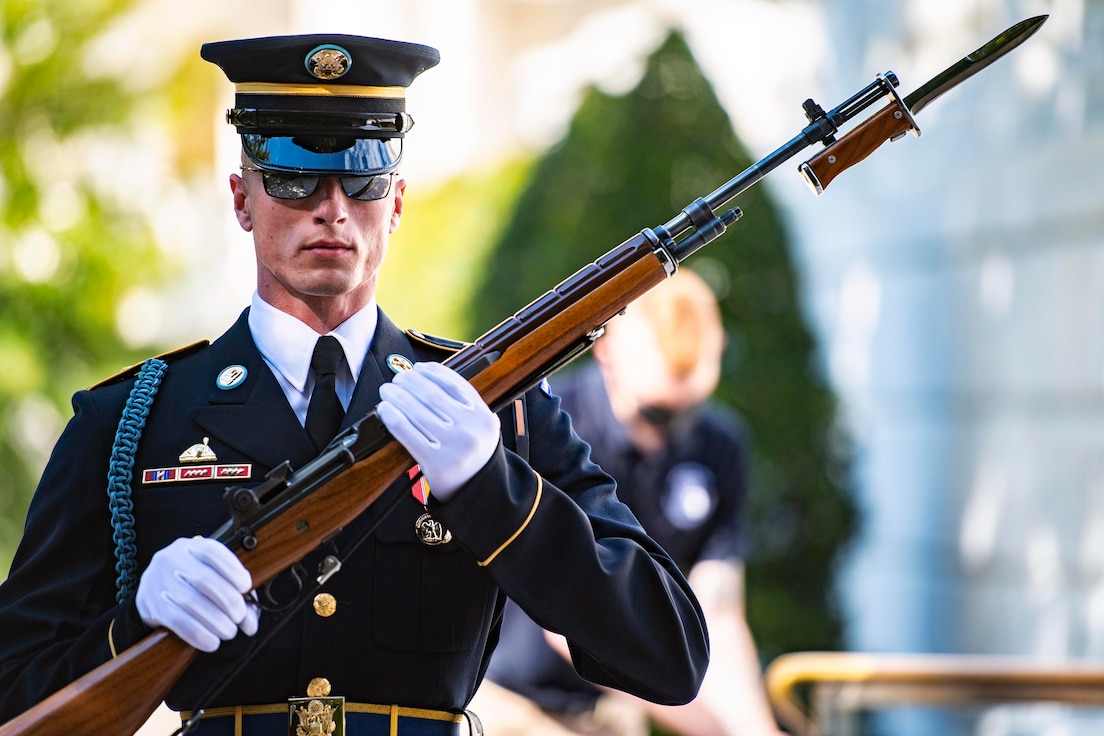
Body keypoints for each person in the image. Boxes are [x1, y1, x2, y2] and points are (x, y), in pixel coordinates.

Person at [0, 34, 710, 735]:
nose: (331, 207)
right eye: (292, 175)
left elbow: (670, 654)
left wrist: (493, 489)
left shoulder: (492, 409)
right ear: (242, 199)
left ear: (395, 202)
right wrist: (135, 628)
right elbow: (15, 694)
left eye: (362, 178)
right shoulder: (133, 422)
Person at [473, 269, 783, 736]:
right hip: (512, 701)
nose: (663, 437)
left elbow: (717, 607)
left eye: (686, 413)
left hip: (617, 708)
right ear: (607, 350)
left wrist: (756, 727)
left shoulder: (720, 444)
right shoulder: (546, 425)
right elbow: (567, 616)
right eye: (652, 412)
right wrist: (717, 728)